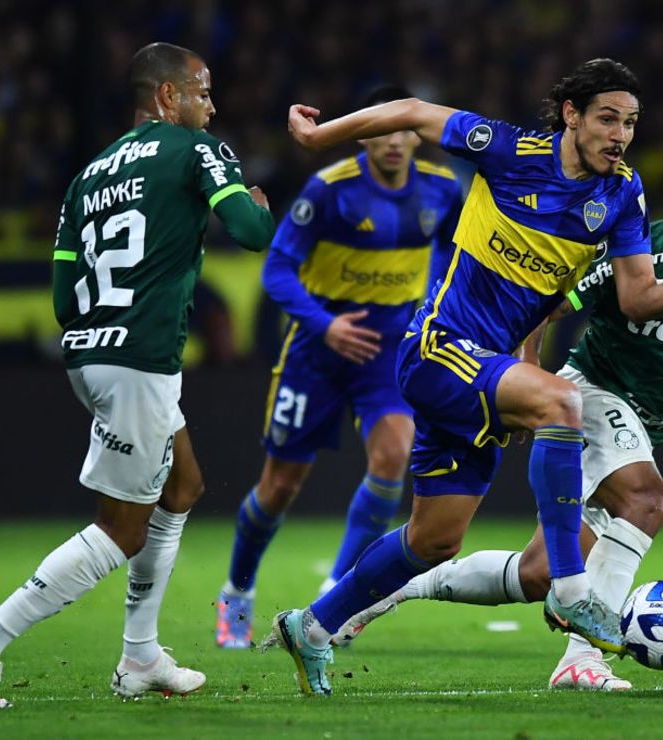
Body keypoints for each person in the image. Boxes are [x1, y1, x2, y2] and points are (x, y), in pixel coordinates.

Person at [264, 59, 663, 696]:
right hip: (439, 347)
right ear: (572, 115)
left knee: (433, 540)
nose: (620, 135)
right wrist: (317, 135)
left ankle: (312, 626)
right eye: (607, 118)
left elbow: (636, 297)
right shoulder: (509, 149)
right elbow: (414, 111)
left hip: (483, 375)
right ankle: (574, 592)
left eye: (630, 123)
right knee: (561, 401)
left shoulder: (621, 195)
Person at [333, 129, 663, 692]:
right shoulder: (638, 250)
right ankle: (584, 660)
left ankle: (402, 583)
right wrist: (528, 383)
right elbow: (545, 309)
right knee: (647, 499)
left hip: (645, 428)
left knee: (537, 576)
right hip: (593, 394)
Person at [0, 42, 275, 708]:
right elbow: (251, 230)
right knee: (121, 529)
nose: (214, 105)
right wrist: (256, 204)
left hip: (91, 352)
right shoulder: (196, 151)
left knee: (183, 483)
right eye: (204, 92)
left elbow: (63, 296)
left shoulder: (89, 175)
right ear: (169, 97)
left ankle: (141, 655)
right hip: (140, 359)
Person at [215, 84, 463, 649]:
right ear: (364, 132)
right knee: (279, 487)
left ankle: (333, 602)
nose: (395, 141)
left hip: (388, 351)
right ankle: (237, 594)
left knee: (395, 456)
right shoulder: (330, 191)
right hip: (318, 351)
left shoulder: (444, 190)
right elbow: (277, 269)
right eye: (382, 130)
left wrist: (435, 299)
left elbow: (458, 250)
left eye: (405, 129)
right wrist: (325, 323)